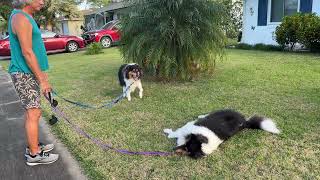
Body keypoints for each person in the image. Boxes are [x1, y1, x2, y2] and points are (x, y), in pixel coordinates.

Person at [8, 0, 59, 166]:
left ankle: (34, 145)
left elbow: (33, 50)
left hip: (29, 73)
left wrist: (42, 76)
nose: (42, 2)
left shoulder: (25, 16)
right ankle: (34, 155)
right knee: (33, 113)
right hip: (24, 74)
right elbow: (27, 52)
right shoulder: (20, 18)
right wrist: (43, 81)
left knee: (34, 112)